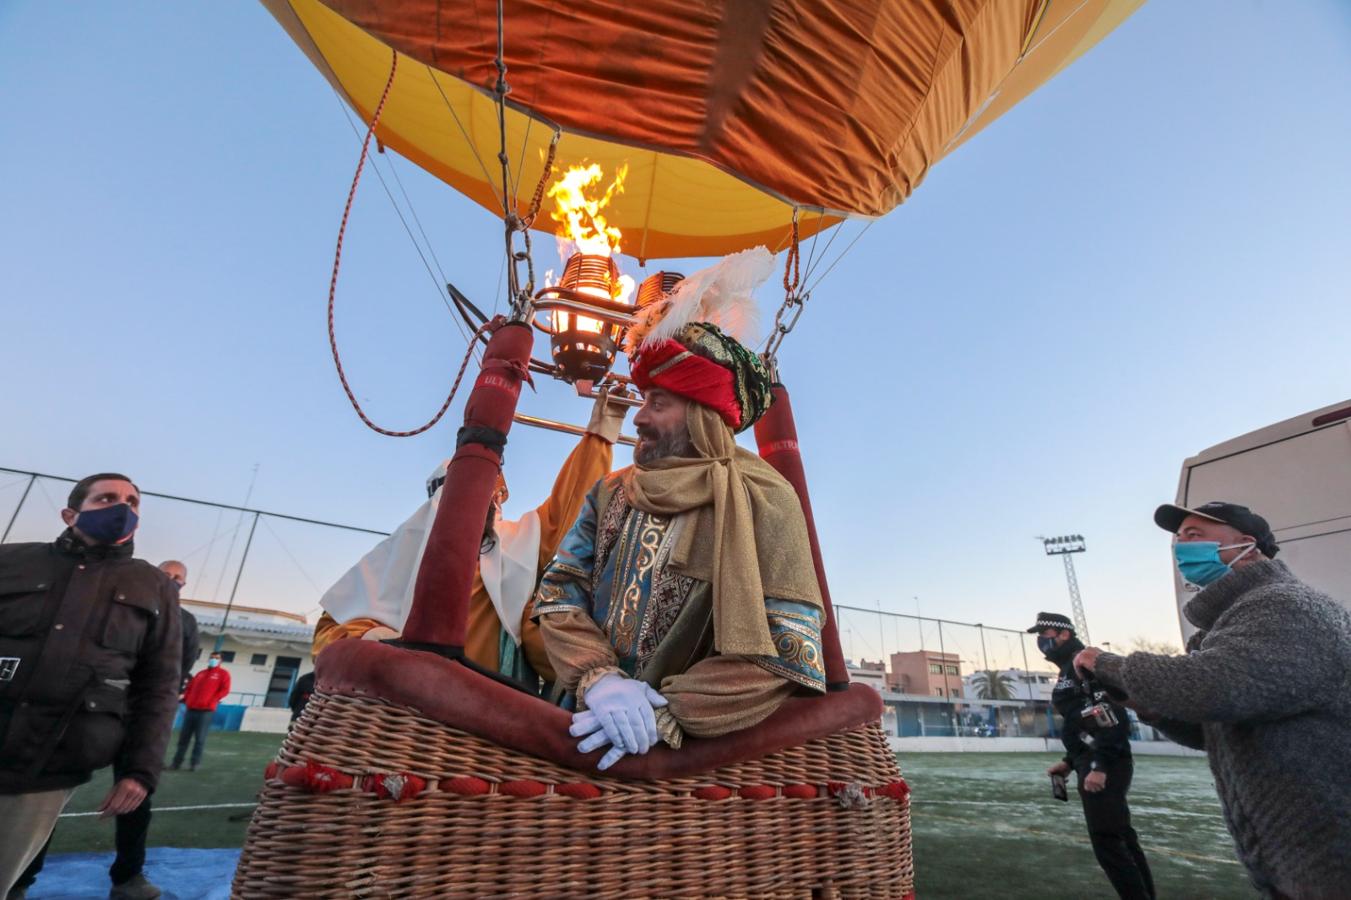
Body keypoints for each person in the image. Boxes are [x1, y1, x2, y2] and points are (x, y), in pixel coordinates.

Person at [534, 322, 825, 770]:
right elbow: (558, 590)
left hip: (692, 761)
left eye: (657, 403)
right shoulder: (609, 492)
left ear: (701, 413)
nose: (638, 417)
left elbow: (789, 648)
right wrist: (599, 678)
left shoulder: (768, 498)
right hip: (578, 728)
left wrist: (666, 712)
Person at [1075, 501, 1351, 899]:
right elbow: (1217, 725)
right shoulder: (1239, 615)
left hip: (1332, 851)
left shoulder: (1285, 604)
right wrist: (1148, 707)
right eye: (1178, 539)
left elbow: (1213, 685)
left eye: (1194, 535)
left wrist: (1107, 664)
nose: (1181, 548)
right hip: (1298, 856)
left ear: (1246, 545)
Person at [312, 390, 627, 690]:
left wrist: (602, 431)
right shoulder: (403, 551)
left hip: (488, 711)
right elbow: (328, 634)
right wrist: (374, 638)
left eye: (489, 491)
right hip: (403, 712)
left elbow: (568, 505)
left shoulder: (517, 545)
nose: (477, 500)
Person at [0, 474, 181, 898]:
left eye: (132, 502)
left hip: (49, 764)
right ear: (70, 514)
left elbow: (158, 686)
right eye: (106, 498)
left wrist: (140, 771)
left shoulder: (153, 586)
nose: (122, 507)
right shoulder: (11, 560)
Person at [11, 560, 201, 900]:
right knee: (48, 793)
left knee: (136, 800)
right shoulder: (116, 606)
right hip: (88, 713)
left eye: (179, 578)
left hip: (135, 720)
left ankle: (128, 877)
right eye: (167, 575)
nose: (172, 582)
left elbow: (170, 676)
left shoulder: (184, 622)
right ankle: (21, 878)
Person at [1030, 612, 1154, 900]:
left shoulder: (1084, 662)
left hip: (1105, 760)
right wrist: (1070, 762)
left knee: (1108, 841)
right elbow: (1082, 721)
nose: (1041, 640)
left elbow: (1111, 716)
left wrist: (1100, 765)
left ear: (1064, 634)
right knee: (1120, 836)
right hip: (1092, 758)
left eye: (1045, 633)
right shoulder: (1067, 669)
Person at [171, 651, 231, 771]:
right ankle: (176, 763)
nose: (213, 659)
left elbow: (225, 690)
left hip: (206, 712)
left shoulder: (223, 674)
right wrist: (187, 698)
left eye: (216, 658)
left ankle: (195, 764)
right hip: (191, 710)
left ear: (221, 660)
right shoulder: (200, 674)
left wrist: (213, 700)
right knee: (183, 738)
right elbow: (189, 688)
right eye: (212, 657)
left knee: (199, 739)